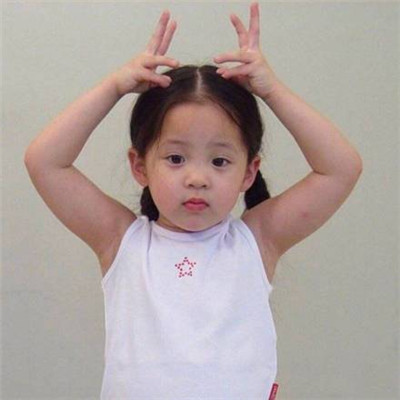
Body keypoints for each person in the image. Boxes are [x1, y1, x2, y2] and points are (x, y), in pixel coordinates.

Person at [24, 2, 363, 399]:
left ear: (249, 172)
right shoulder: (123, 242)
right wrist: (114, 87)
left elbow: (341, 168)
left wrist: (272, 91)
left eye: (219, 161)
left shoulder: (256, 241)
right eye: (175, 158)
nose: (197, 178)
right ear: (140, 166)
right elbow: (44, 161)